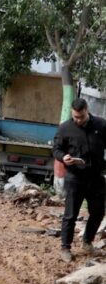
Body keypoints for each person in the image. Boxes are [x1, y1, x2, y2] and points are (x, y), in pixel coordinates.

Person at [52, 98, 104, 262]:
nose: (78, 120)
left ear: (87, 110)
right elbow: (56, 149)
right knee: (70, 214)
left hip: (96, 177)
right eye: (75, 117)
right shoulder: (65, 128)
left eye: (81, 116)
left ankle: (87, 242)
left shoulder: (101, 125)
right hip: (75, 178)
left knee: (98, 212)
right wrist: (63, 157)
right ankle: (65, 248)